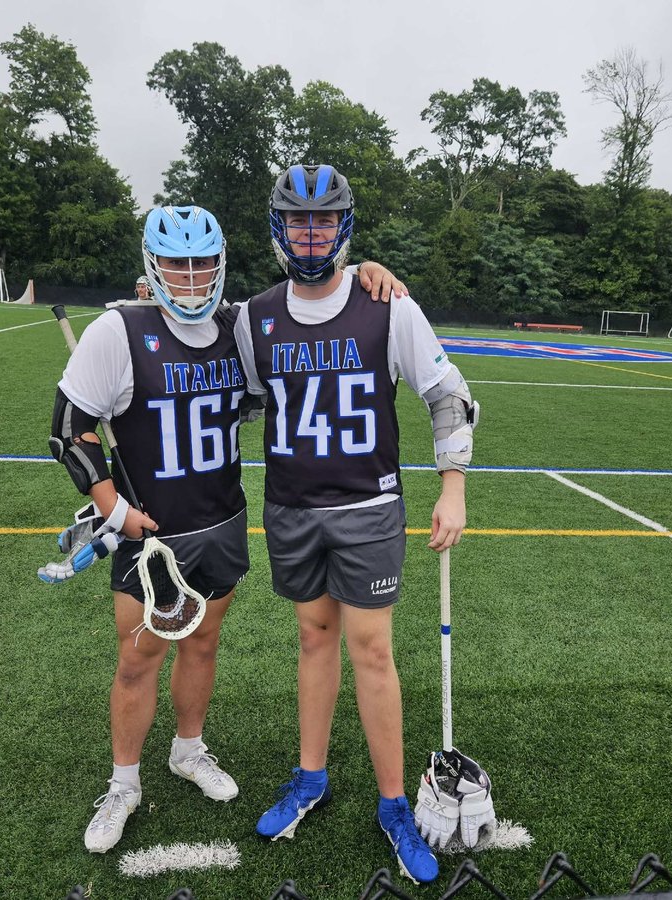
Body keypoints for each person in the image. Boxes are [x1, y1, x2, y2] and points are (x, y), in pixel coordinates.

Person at [46, 204, 407, 854]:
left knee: (204, 643)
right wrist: (114, 510)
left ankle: (188, 749)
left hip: (221, 520)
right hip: (150, 533)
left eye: (201, 264)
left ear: (219, 266)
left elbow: (310, 311)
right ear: (153, 267)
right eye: (176, 265)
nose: (189, 278)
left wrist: (365, 270)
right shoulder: (119, 330)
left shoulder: (236, 328)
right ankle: (123, 783)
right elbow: (70, 429)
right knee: (138, 659)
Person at [233, 165, 478, 885]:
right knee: (314, 637)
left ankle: (394, 802)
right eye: (298, 221)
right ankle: (311, 777)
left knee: (371, 650)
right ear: (279, 228)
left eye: (322, 221)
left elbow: (449, 395)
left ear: (342, 227)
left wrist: (453, 488)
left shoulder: (388, 306)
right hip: (292, 508)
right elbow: (232, 398)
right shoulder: (254, 317)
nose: (310, 235)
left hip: (368, 508)